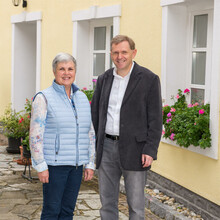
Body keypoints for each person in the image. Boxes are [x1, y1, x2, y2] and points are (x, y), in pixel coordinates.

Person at [91, 35, 162, 220]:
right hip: (106, 148)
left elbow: (155, 119)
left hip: (136, 150)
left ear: (133, 53)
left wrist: (150, 149)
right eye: (115, 52)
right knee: (107, 204)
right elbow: (96, 114)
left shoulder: (149, 79)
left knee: (136, 206)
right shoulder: (104, 79)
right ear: (111, 54)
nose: (119, 56)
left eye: (124, 52)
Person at [29, 52, 95, 220]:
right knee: (52, 211)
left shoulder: (81, 97)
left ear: (75, 71)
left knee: (67, 212)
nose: (66, 73)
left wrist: (90, 162)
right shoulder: (43, 98)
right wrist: (41, 165)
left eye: (70, 69)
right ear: (54, 72)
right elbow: (36, 135)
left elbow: (89, 131)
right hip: (54, 166)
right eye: (62, 69)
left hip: (76, 166)